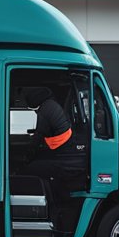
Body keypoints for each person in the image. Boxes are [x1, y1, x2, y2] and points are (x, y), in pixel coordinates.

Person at [21, 87, 87, 224]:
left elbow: (40, 135)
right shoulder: (51, 104)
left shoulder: (45, 110)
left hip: (64, 160)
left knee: (29, 169)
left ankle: (47, 205)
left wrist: (27, 156)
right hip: (64, 153)